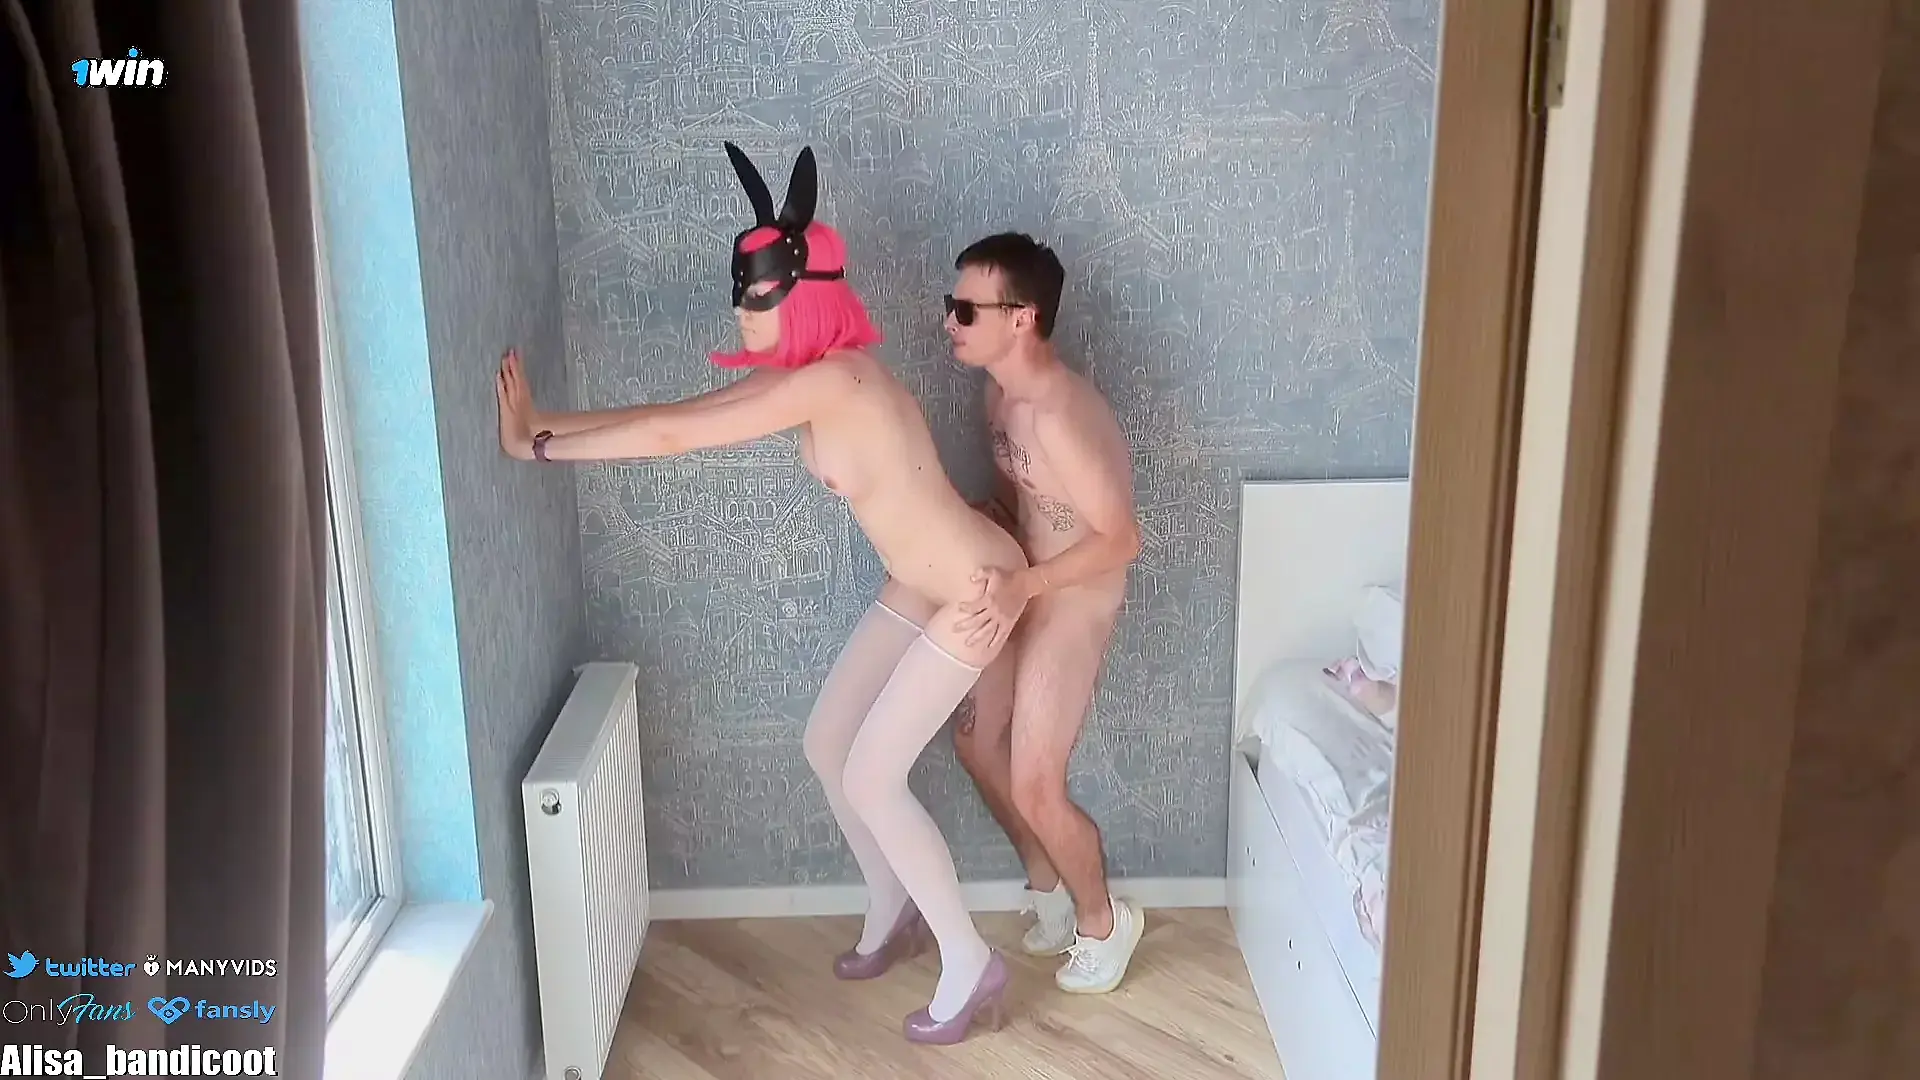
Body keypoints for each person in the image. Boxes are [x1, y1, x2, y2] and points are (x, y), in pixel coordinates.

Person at [494, 144, 1027, 1044]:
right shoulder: (804, 377)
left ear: (806, 291)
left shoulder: (837, 380)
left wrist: (534, 451)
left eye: (759, 295)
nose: (742, 309)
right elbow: (682, 416)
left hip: (976, 592)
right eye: (741, 293)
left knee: (873, 774)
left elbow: (671, 439)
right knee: (828, 744)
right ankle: (894, 902)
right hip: (921, 581)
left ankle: (971, 962)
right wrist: (543, 424)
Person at [944, 232, 1146, 994]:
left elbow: (1121, 539)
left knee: (1036, 782)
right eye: (952, 305)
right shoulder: (998, 396)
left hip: (1074, 598)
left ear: (1022, 317)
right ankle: (1049, 886)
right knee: (975, 744)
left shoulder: (1061, 413)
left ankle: (1104, 923)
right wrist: (985, 521)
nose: (950, 322)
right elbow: (1028, 499)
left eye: (967, 309)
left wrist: (1027, 586)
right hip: (1025, 581)